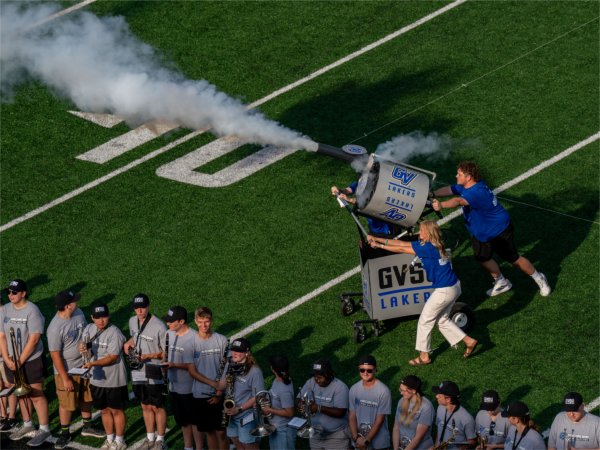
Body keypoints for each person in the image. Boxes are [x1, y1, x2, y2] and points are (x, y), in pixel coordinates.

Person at [431, 161, 551, 297]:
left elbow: (458, 201)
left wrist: (441, 205)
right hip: (481, 232)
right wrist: (433, 194)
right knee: (482, 257)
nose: (456, 176)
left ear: (468, 177)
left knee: (513, 259)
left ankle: (539, 277)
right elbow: (450, 189)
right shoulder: (467, 186)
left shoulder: (476, 192)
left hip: (498, 230)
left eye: (459, 174)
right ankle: (501, 281)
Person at [368, 220, 478, 366]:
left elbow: (401, 247)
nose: (419, 233)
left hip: (444, 290)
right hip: (454, 286)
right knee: (442, 320)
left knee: (425, 321)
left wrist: (378, 244)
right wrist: (376, 239)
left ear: (428, 233)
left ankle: (424, 356)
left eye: (422, 231)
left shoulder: (427, 248)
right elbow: (402, 245)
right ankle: (469, 341)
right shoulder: (435, 244)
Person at [47, 290, 105, 449]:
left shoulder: (78, 313)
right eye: (74, 301)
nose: (77, 302)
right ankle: (64, 432)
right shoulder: (55, 328)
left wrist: (87, 347)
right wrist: (65, 378)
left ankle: (87, 426)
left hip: (85, 364)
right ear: (68, 306)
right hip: (67, 370)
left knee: (87, 396)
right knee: (67, 403)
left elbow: (86, 333)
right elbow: (55, 355)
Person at [0, 279, 52, 447]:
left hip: (31, 359)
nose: (11, 295)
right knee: (20, 392)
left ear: (23, 293)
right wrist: (7, 359)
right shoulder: (5, 310)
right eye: (9, 292)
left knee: (36, 394)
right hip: (11, 360)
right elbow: (1, 336)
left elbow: (34, 338)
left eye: (14, 292)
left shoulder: (32, 310)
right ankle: (27, 423)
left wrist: (20, 360)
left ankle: (44, 429)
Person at [80, 303, 128, 450]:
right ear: (92, 318)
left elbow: (112, 357)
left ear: (109, 316)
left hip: (114, 380)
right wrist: (82, 349)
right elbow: (86, 350)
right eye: (97, 317)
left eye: (104, 317)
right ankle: (109, 438)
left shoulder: (115, 333)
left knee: (116, 410)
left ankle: (120, 441)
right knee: (104, 410)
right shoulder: (88, 329)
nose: (101, 321)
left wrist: (93, 364)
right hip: (97, 379)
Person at [124, 294, 168, 450]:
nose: (140, 310)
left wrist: (149, 356)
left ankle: (161, 440)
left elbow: (166, 353)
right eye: (137, 307)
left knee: (158, 406)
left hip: (154, 369)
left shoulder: (159, 326)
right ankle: (150, 438)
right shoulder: (132, 321)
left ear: (149, 306)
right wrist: (128, 344)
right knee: (145, 405)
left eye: (142, 307)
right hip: (138, 370)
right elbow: (135, 338)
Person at [188, 306, 229, 450]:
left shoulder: (222, 341)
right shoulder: (191, 343)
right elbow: (192, 371)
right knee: (209, 432)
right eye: (200, 322)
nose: (203, 325)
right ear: (195, 321)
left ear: (211, 321)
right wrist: (212, 383)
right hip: (200, 394)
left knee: (221, 432)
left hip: (219, 394)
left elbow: (226, 368)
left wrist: (219, 392)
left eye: (206, 322)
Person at [163, 306, 197, 450]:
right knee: (183, 421)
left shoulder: (194, 338)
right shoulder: (169, 334)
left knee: (194, 421)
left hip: (190, 388)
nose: (168, 324)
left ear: (181, 321)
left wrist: (174, 365)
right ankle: (188, 447)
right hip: (174, 385)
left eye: (171, 321)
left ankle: (199, 447)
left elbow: (195, 366)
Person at [220, 337, 264, 450]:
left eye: (238, 351)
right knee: (238, 445)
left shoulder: (255, 371)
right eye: (233, 350)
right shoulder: (230, 364)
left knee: (249, 446)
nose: (234, 353)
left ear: (247, 353)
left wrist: (239, 409)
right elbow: (222, 386)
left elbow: (259, 396)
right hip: (230, 413)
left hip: (246, 415)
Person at [297, 358, 351, 450]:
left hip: (336, 437)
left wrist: (319, 408)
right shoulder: (311, 382)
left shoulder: (340, 388)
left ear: (329, 375)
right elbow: (299, 398)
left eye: (320, 377)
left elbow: (341, 412)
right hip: (315, 435)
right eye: (315, 376)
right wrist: (301, 405)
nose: (316, 380)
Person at [348, 355, 391, 450]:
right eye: (362, 370)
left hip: (379, 444)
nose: (365, 373)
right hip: (358, 442)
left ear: (375, 370)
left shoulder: (383, 391)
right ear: (359, 369)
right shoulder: (354, 389)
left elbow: (380, 420)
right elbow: (352, 416)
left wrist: (366, 441)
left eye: (369, 370)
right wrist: (356, 438)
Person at [260, 355, 295, 450]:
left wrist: (269, 409)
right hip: (276, 427)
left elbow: (290, 412)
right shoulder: (278, 379)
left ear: (273, 369)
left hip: (283, 430)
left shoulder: (284, 389)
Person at [391, 375, 434, 450]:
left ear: (414, 390)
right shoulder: (401, 401)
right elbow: (396, 428)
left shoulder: (426, 407)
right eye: (400, 390)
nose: (401, 393)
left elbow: (418, 437)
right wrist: (395, 448)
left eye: (404, 391)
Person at [432, 380, 477, 449]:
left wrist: (464, 447)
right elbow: (439, 430)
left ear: (448, 399)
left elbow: (473, 442)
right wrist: (435, 446)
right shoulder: (440, 408)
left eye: (440, 396)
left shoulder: (467, 418)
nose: (436, 396)